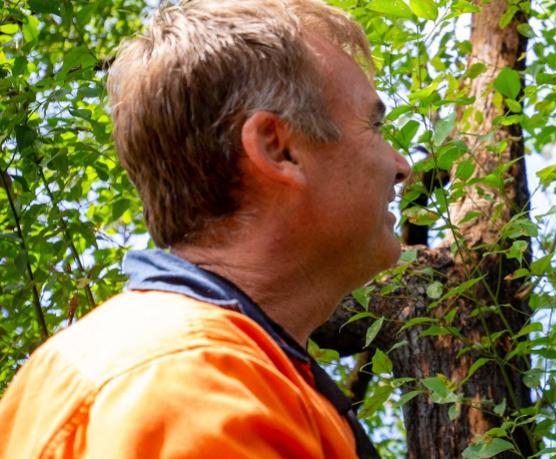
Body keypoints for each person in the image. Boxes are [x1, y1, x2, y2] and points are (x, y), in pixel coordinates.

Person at [0, 0, 410, 457]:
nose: (401, 165)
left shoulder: (210, 370)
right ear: (278, 149)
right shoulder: (190, 382)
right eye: (375, 126)